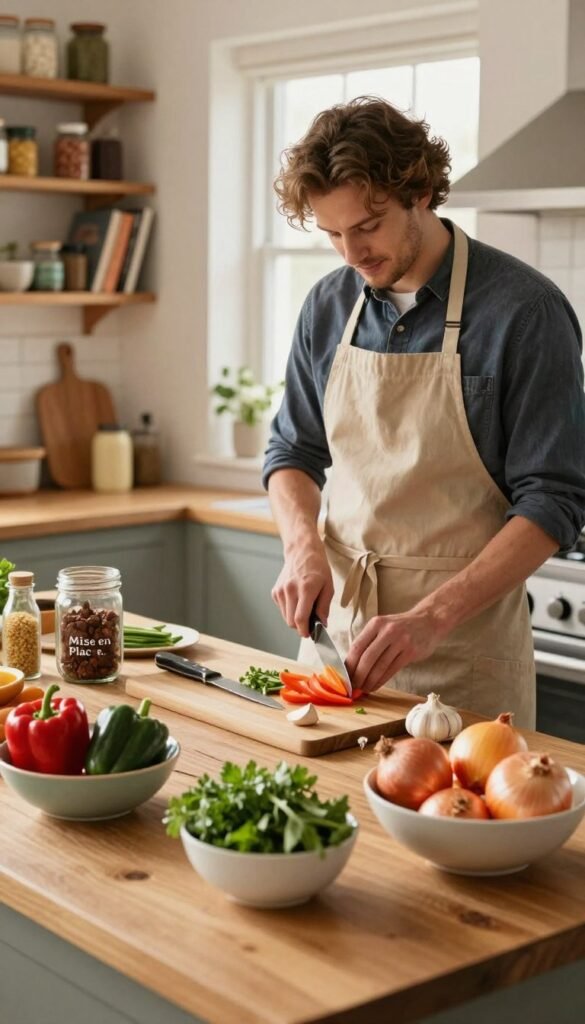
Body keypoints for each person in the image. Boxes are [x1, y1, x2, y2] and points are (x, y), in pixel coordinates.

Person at [262, 97, 585, 728]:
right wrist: (302, 547)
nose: (350, 253)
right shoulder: (328, 306)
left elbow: (554, 499)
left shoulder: (524, 312)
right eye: (332, 233)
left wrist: (432, 617)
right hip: (338, 645)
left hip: (464, 653)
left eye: (367, 226)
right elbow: (292, 453)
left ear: (419, 191)